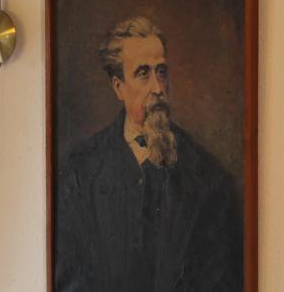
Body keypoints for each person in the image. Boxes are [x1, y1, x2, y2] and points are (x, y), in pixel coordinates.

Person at [55, 17, 243, 291]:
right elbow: (68, 278)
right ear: (118, 87)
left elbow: (222, 279)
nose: (158, 88)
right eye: (143, 73)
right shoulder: (79, 173)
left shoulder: (208, 178)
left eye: (161, 72)